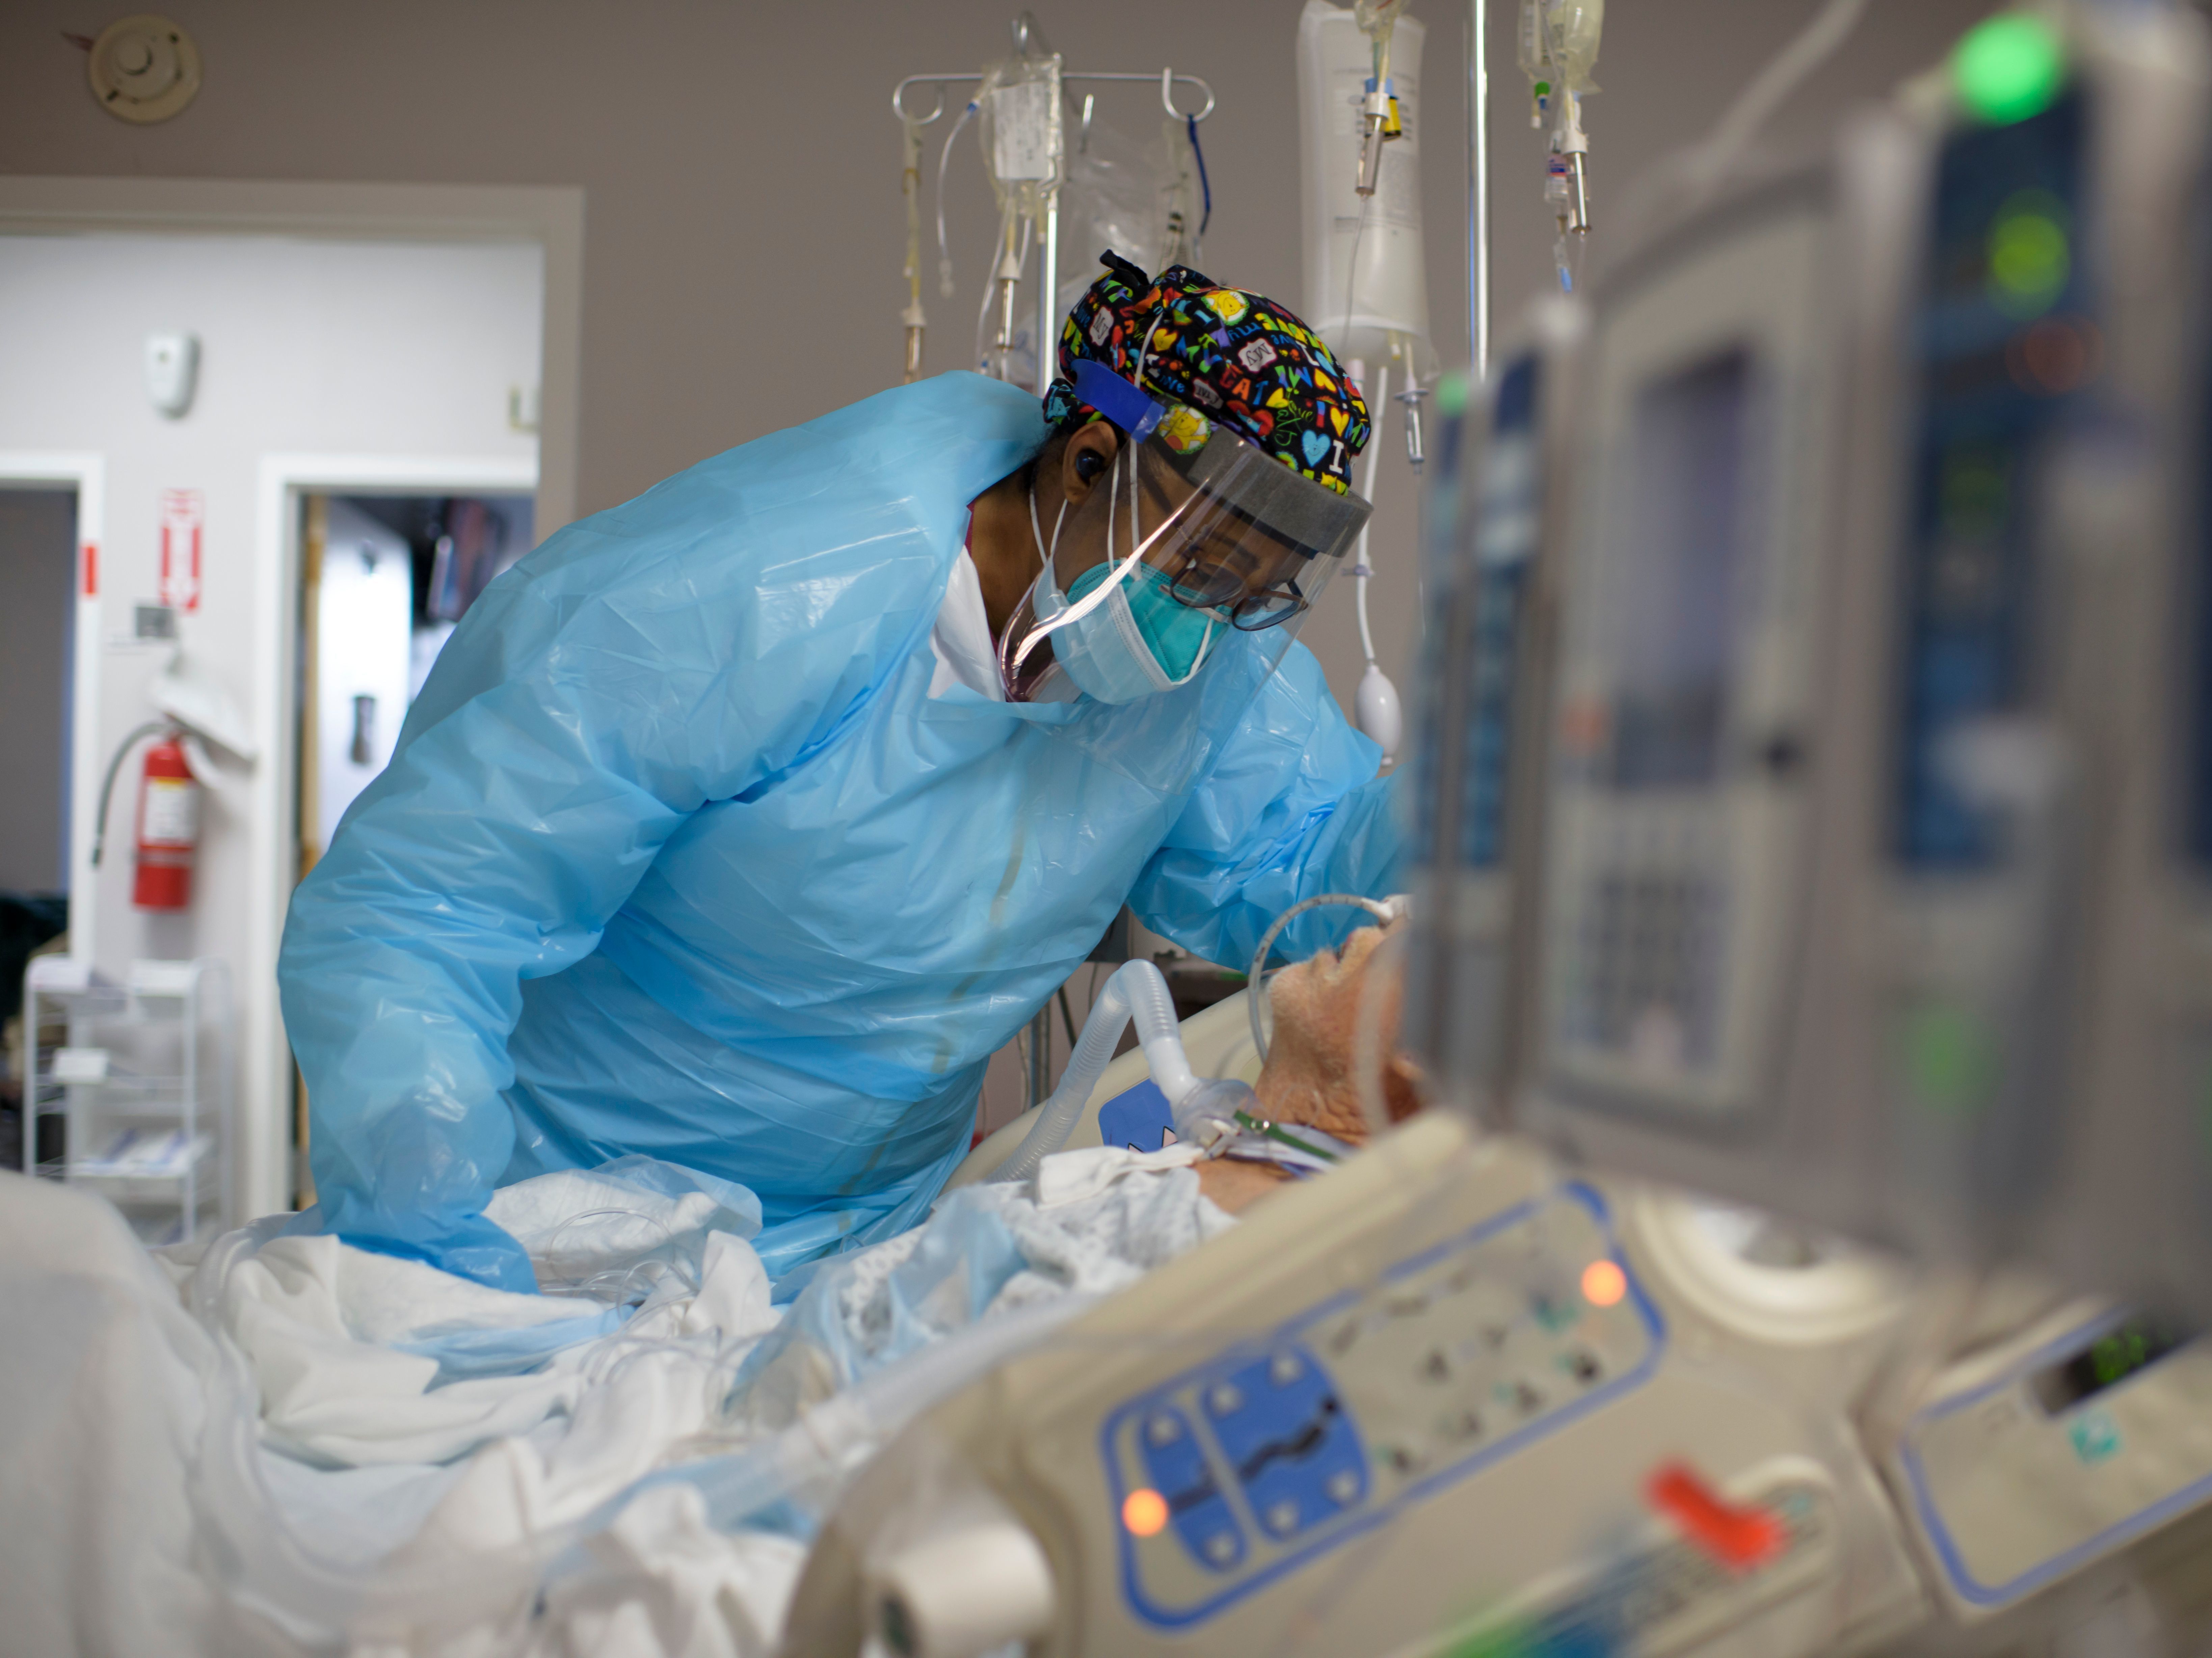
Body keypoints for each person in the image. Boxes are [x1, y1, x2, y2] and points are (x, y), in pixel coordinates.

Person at [279, 255, 1404, 1293]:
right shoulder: (762, 588)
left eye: (1252, 594)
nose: (1207, 627)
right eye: (1201, 565)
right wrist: (432, 1224)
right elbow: (428, 908)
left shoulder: (1208, 671)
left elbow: (1314, 875)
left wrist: (1486, 799)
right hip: (553, 1212)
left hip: (865, 1249)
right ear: (1089, 459)